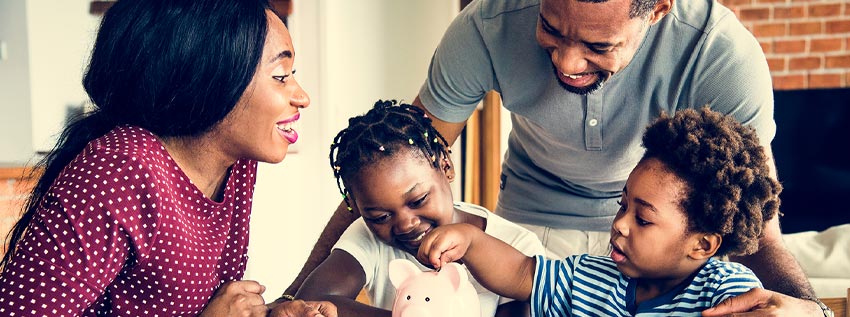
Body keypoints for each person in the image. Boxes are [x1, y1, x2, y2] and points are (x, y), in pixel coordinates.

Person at [286, 0, 827, 315]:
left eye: (598, 46)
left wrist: (814, 313)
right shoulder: (485, 26)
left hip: (667, 235)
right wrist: (287, 300)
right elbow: (394, 165)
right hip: (529, 230)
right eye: (551, 27)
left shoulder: (719, 54)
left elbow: (761, 237)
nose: (567, 62)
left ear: (658, 7)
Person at [0, 1, 336, 316]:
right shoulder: (120, 170)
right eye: (281, 76)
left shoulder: (236, 165)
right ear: (211, 78)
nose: (302, 96)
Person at [418, 108, 777, 316]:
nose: (620, 224)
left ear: (702, 245)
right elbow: (522, 272)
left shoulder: (728, 294)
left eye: (643, 219)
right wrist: (470, 240)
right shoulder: (591, 276)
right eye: (623, 205)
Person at [269, 100, 545, 317]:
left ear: (446, 167)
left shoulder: (517, 244)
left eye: (418, 200)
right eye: (381, 216)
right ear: (355, 207)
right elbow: (314, 299)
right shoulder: (366, 236)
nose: (405, 224)